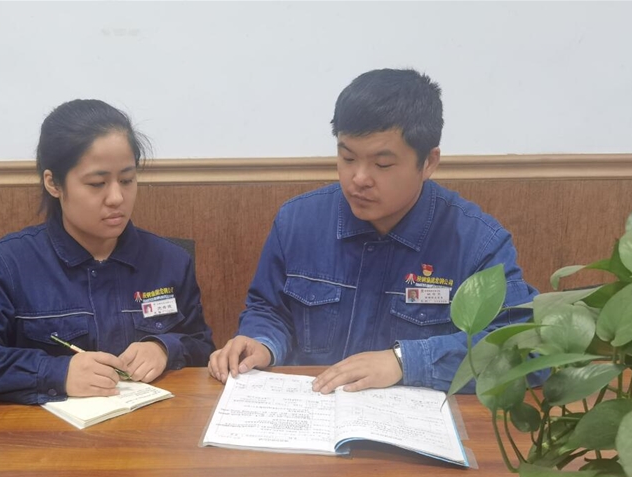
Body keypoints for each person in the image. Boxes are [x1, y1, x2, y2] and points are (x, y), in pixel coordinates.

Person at [208, 68, 546, 394]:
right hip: (314, 408)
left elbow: (526, 350)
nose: (359, 178)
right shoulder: (297, 222)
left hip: (416, 422)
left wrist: (406, 362)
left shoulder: (476, 243)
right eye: (347, 158)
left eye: (382, 164)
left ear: (428, 162)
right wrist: (262, 342)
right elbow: (269, 310)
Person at [0, 99, 215, 404]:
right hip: (47, 432)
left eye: (127, 180)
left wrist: (164, 348)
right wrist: (56, 372)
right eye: (97, 183)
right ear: (54, 183)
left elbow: (201, 346)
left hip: (149, 427)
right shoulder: (9, 263)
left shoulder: (170, 261)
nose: (117, 197)